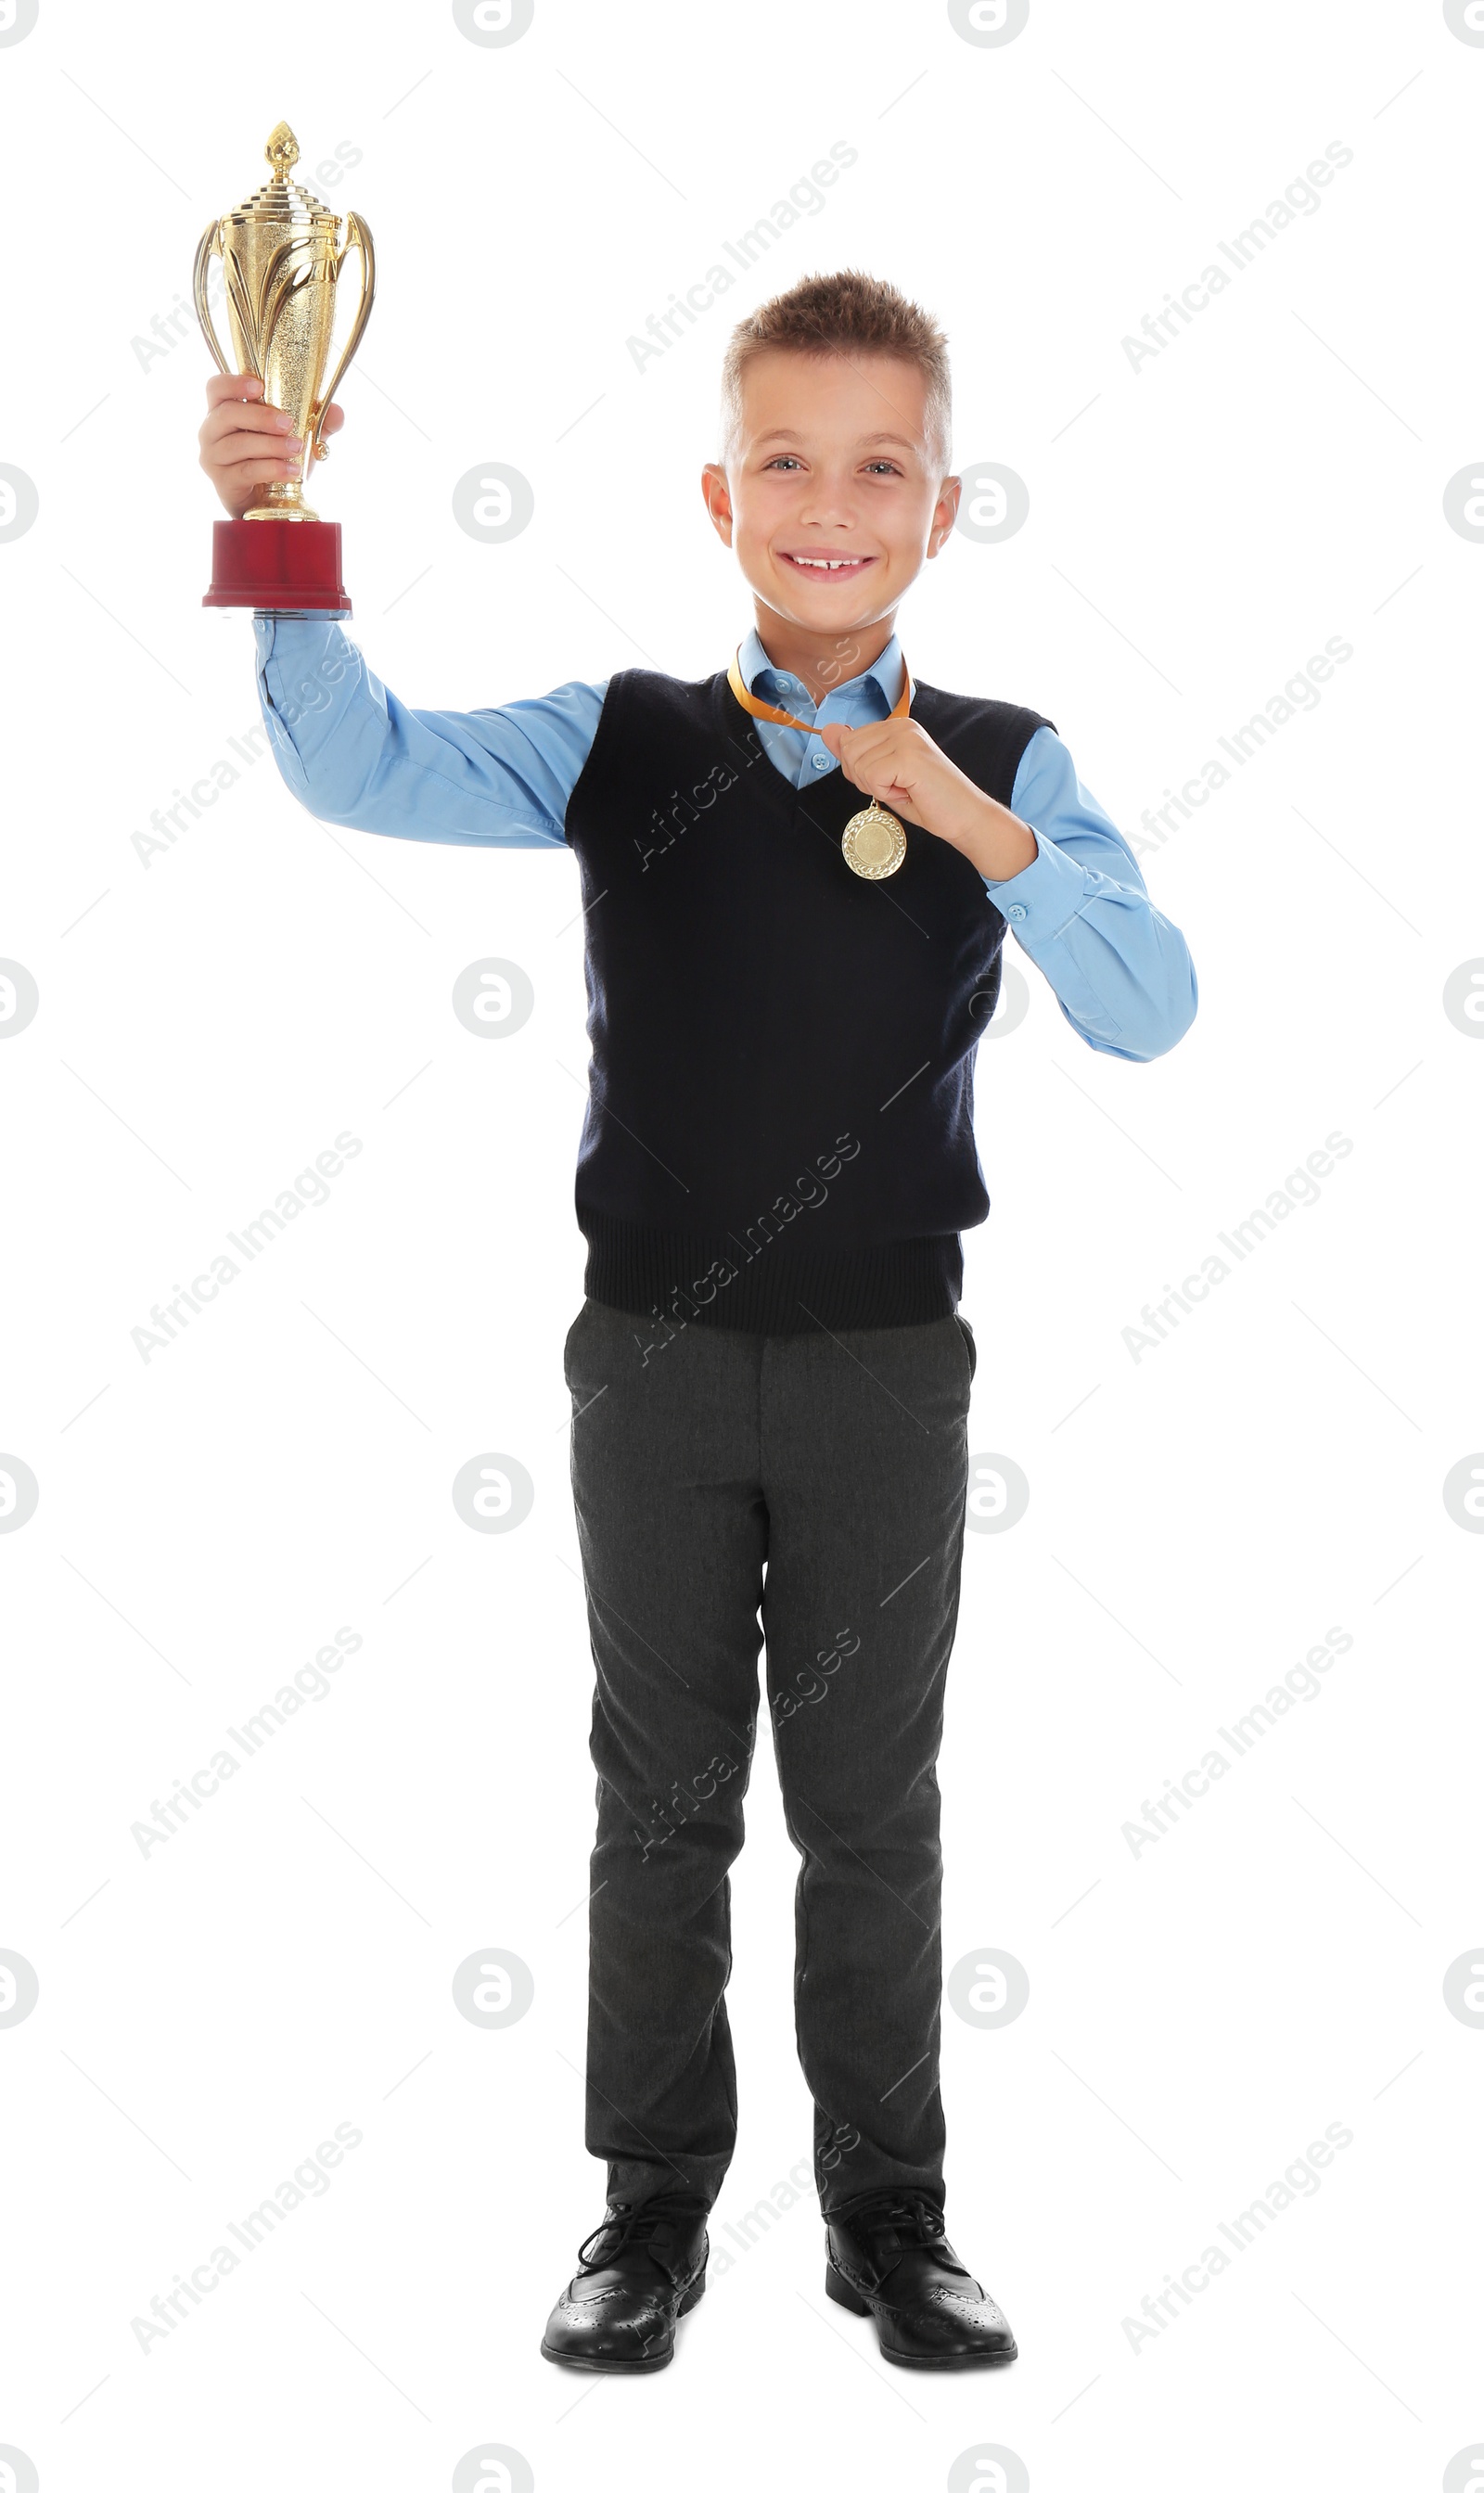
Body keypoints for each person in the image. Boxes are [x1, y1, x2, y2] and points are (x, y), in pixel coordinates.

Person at [198, 268, 1196, 2375]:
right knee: (657, 1798)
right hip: (646, 1367)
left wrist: (971, 821)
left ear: (941, 506)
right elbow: (358, 770)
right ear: (716, 496)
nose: (825, 504)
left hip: (882, 1378)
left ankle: (886, 2218)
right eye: (783, 461)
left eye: (875, 467)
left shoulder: (1009, 764)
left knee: (869, 1804)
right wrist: (284, 546)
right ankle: (645, 2213)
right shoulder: (620, 736)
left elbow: (1147, 1007)